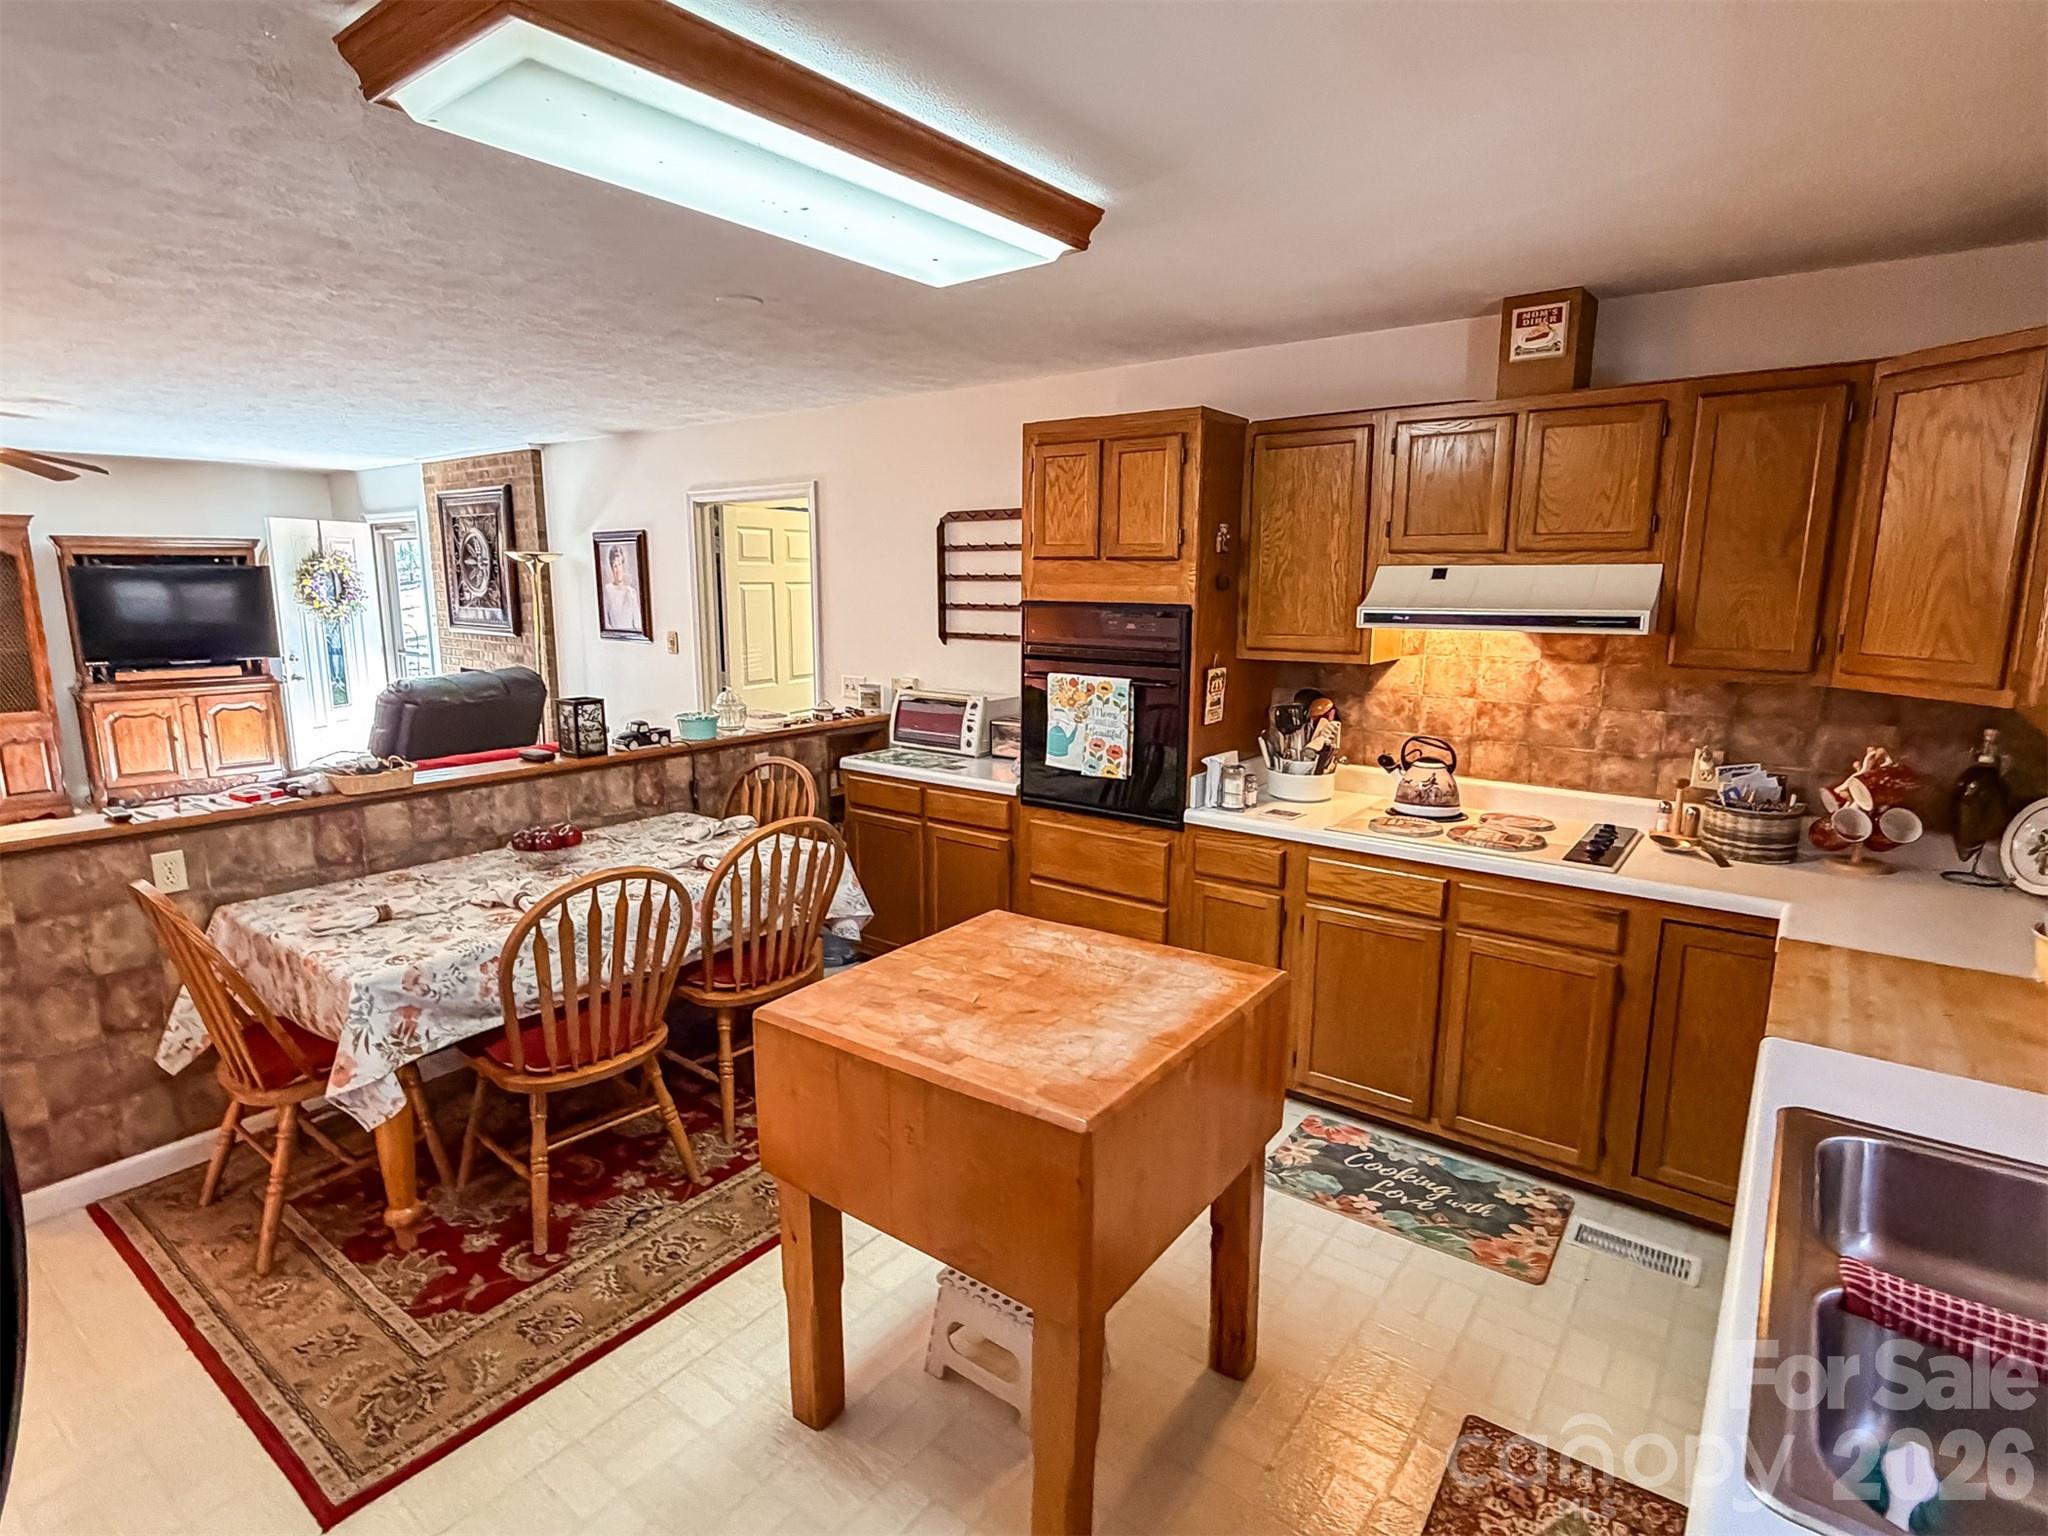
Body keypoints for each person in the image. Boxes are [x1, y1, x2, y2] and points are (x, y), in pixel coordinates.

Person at [600, 543, 641, 632]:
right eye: (615, 566)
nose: (618, 570)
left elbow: (637, 623)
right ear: (611, 568)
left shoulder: (631, 592)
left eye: (619, 565)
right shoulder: (607, 591)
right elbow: (606, 623)